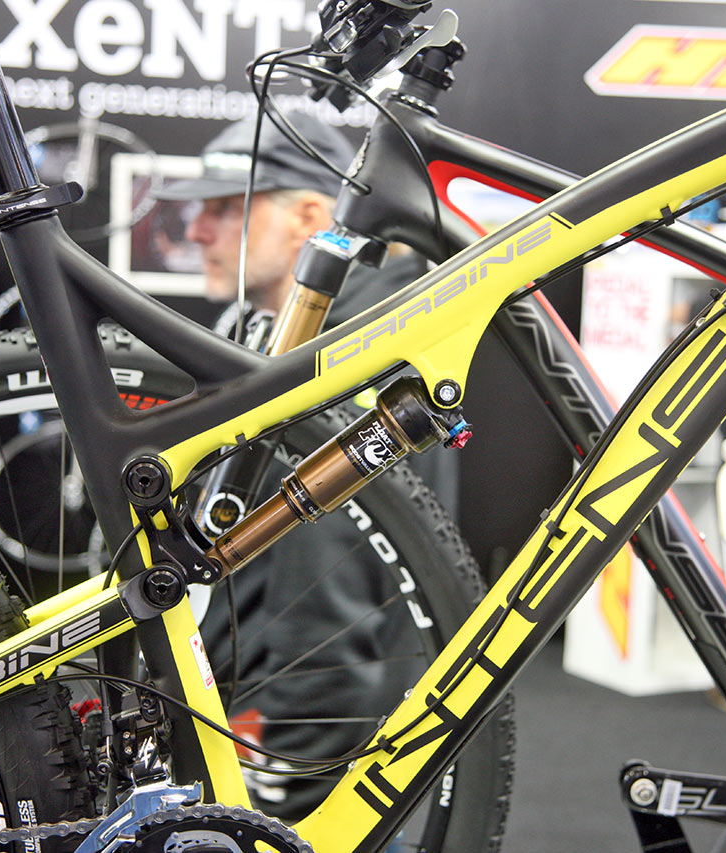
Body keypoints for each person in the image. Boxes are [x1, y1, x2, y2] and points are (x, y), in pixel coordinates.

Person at [163, 113, 451, 820]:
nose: (198, 230)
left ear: (311, 218)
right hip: (241, 715)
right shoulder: (269, 338)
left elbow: (330, 619)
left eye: (227, 207)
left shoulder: (358, 356)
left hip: (297, 747)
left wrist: (290, 796)